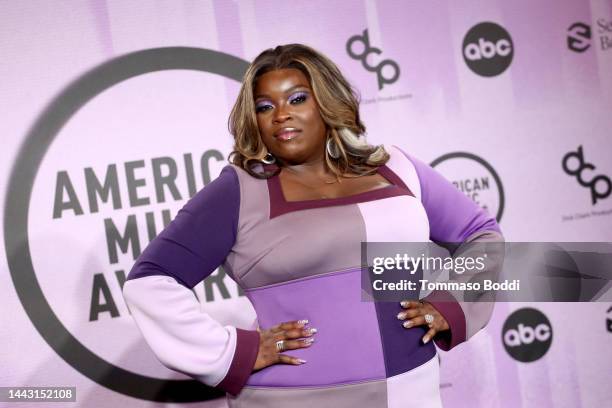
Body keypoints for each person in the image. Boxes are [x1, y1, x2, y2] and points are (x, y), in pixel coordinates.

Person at [122, 44, 503, 407]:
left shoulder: (396, 168)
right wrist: (232, 352)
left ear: (326, 101)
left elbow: (482, 235)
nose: (281, 114)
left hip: (409, 391)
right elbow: (150, 281)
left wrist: (452, 303)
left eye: (297, 98)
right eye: (265, 106)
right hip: (290, 397)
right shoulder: (237, 190)